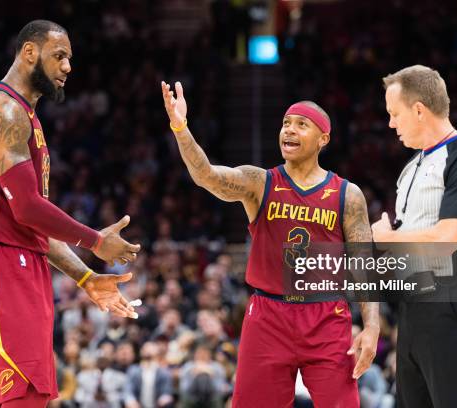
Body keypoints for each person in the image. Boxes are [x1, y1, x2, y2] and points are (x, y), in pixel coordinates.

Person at [161, 81, 380, 407]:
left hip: (326, 316)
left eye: (301, 125)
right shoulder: (260, 182)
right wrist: (180, 126)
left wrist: (372, 325)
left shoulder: (348, 195)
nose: (289, 130)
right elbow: (206, 175)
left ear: (323, 139)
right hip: (268, 315)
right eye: (285, 124)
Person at [0, 20, 141, 407]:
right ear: (29, 53)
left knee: (32, 394)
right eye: (59, 56)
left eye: (69, 59)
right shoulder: (2, 110)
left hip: (21, 259)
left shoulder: (26, 116)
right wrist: (95, 241)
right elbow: (26, 208)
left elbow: (34, 224)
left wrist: (86, 276)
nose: (68, 67)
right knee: (21, 395)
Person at [372, 65, 457, 407]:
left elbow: (445, 239)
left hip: (453, 300)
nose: (391, 123)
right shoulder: (412, 166)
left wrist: (386, 237)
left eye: (394, 114)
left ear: (418, 110)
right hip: (414, 304)